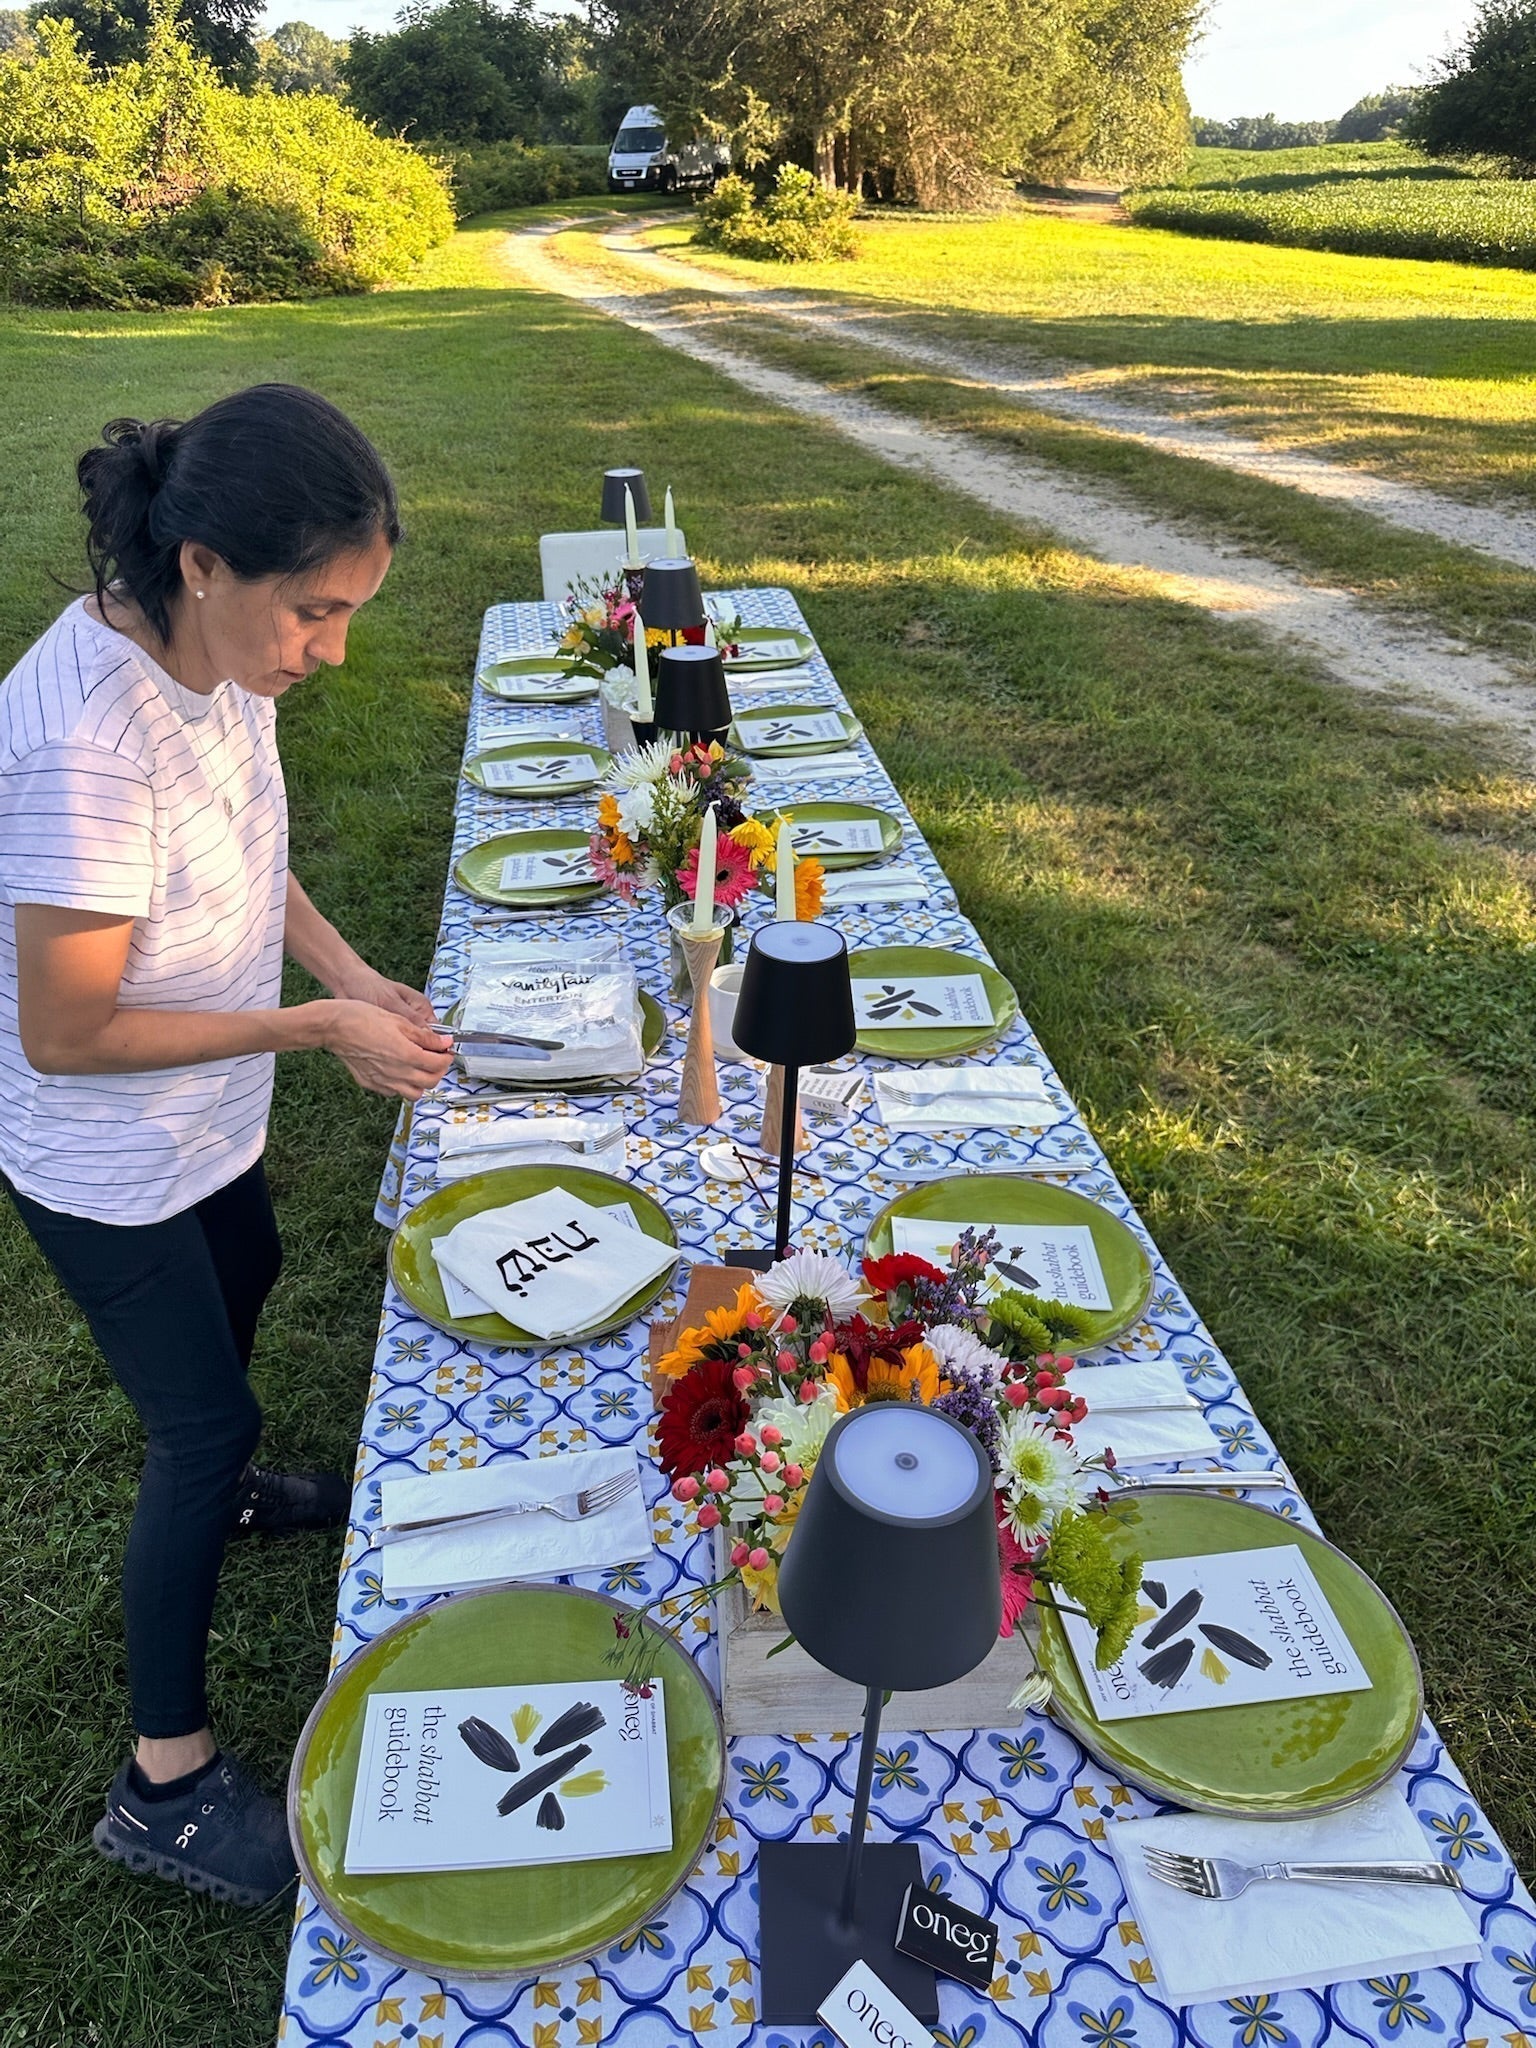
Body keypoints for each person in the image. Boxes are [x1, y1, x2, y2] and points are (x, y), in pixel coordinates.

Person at [0, 384, 454, 1908]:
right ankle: (164, 1784)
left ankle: (243, 1482)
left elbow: (255, 855)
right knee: (192, 1431)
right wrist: (314, 1033)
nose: (329, 652)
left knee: (249, 1266)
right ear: (202, 563)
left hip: (203, 1127)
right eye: (315, 614)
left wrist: (343, 974)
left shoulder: (221, 665)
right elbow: (66, 1034)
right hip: (104, 1161)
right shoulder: (84, 742)